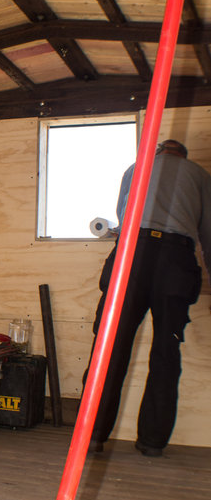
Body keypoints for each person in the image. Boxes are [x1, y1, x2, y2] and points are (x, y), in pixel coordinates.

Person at [86, 139, 211, 456]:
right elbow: (208, 234)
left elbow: (124, 214)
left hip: (133, 255)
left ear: (159, 151)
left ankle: (93, 434)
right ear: (183, 154)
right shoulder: (199, 175)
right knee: (166, 352)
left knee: (110, 346)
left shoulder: (137, 167)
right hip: (176, 261)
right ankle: (152, 442)